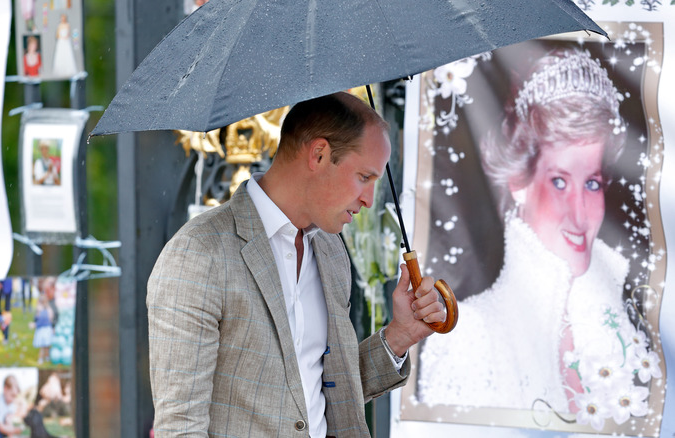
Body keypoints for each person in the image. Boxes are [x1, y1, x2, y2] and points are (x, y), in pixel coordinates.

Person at [148, 92, 446, 436]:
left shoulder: (331, 250)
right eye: (364, 177)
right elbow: (181, 427)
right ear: (319, 154)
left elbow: (322, 393)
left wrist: (399, 336)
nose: (368, 198)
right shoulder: (198, 254)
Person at [418, 48, 648, 414]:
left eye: (592, 183)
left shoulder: (618, 330)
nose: (579, 214)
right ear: (518, 182)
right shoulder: (467, 337)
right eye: (559, 181)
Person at [31, 295, 54, 365]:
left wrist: (35, 325)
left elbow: (41, 321)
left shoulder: (43, 311)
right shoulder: (48, 310)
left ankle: (41, 358)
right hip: (47, 329)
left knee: (43, 346)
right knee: (46, 346)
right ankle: (47, 357)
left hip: (43, 330)